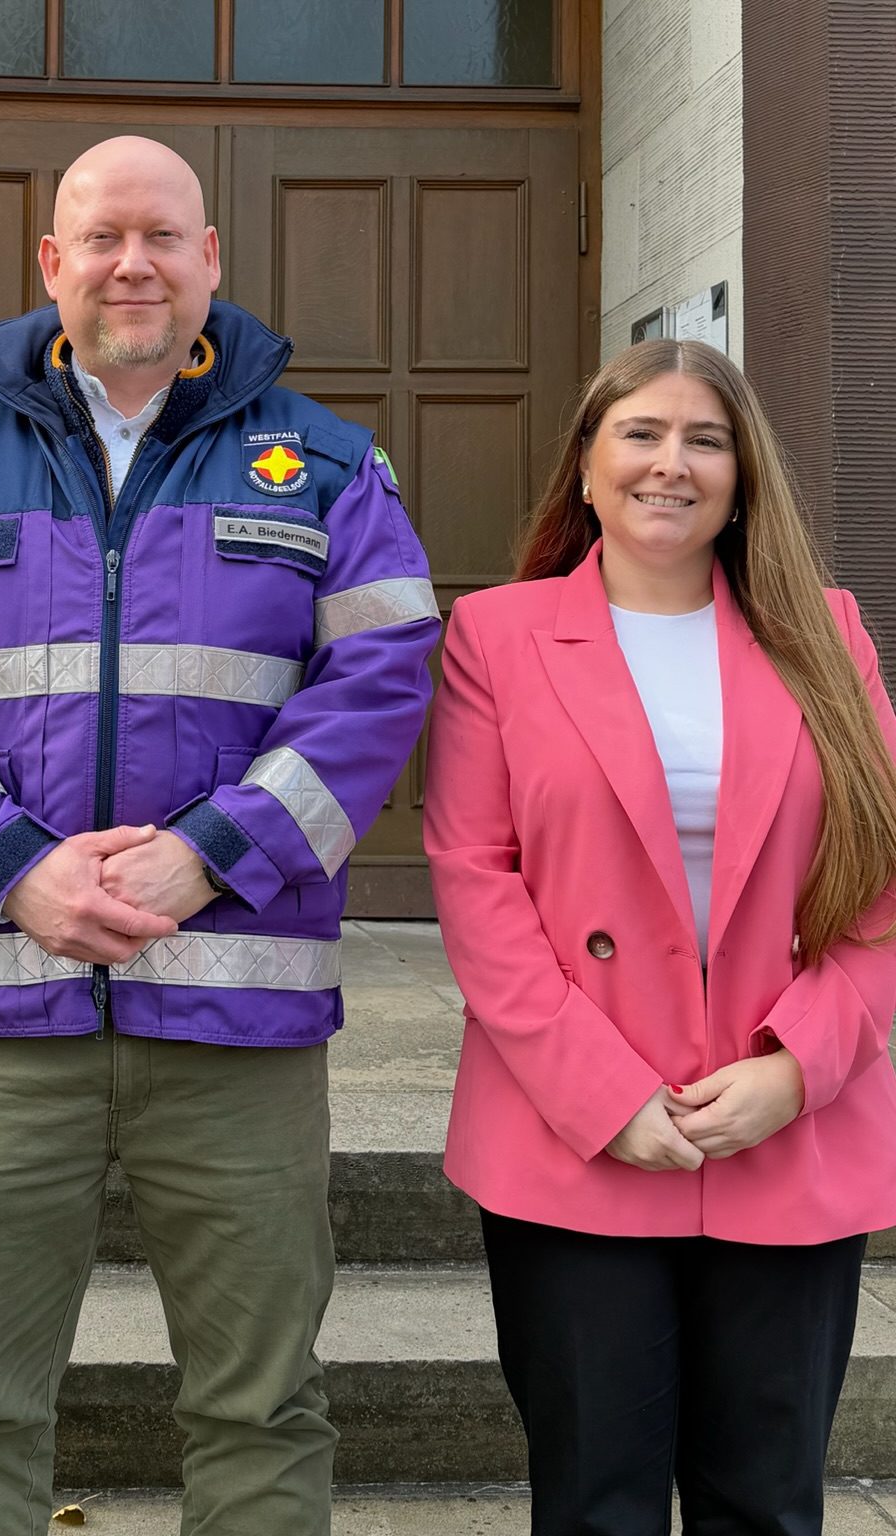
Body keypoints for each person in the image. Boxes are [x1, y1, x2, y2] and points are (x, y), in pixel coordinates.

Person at [0, 135, 438, 1534]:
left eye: (164, 236)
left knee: (260, 1408)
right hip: (4, 1023)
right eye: (102, 237)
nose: (133, 263)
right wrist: (14, 870)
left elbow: (381, 685)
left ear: (212, 259)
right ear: (52, 265)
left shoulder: (327, 465)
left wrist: (205, 854)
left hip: (235, 1025)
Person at [424, 338, 896, 1535]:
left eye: (705, 439)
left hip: (784, 1126)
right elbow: (477, 884)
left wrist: (798, 1070)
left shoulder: (827, 632)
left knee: (769, 1503)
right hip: (573, 1135)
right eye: (639, 434)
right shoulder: (498, 634)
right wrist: (605, 1096)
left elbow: (884, 887)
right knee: (594, 1503)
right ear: (585, 466)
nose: (669, 465)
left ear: (745, 475)